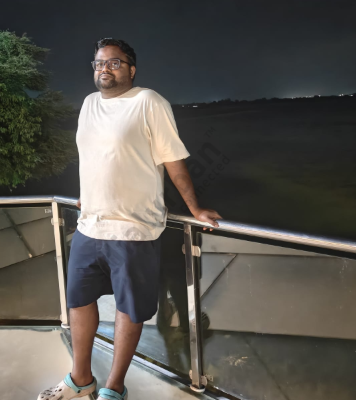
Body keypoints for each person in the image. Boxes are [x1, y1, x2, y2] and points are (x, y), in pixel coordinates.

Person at [37, 37, 222, 400]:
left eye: (114, 62)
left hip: (134, 228)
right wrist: (89, 193)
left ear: (131, 69)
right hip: (90, 224)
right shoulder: (89, 104)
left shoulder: (148, 102)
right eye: (98, 63)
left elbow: (172, 160)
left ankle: (114, 387)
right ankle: (80, 380)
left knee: (130, 308)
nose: (104, 69)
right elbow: (94, 156)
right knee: (78, 301)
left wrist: (195, 208)